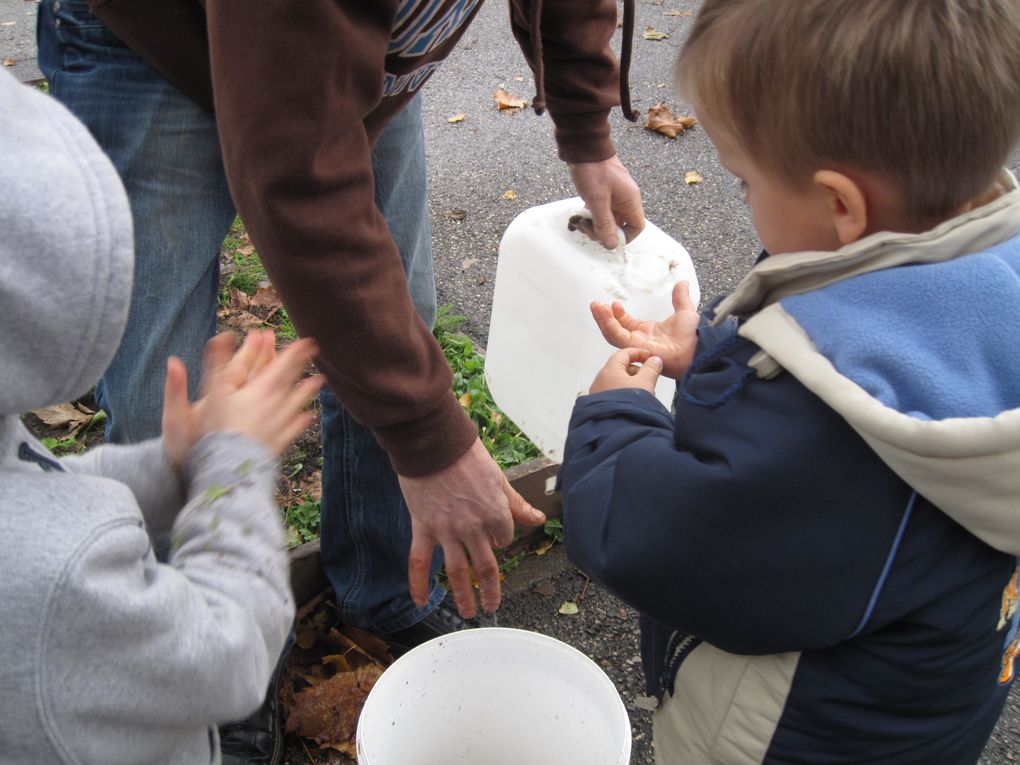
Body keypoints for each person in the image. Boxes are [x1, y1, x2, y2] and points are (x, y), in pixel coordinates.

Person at [37, 1, 646, 760]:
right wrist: (426, 437)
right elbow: (297, 171)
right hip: (155, 41)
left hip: (348, 55)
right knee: (163, 392)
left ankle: (383, 581)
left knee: (397, 318)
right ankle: (205, 671)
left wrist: (586, 126)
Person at [557, 1, 1020, 762]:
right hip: (924, 710)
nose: (742, 198)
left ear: (841, 204)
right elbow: (882, 350)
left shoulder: (824, 437)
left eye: (743, 181)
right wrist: (712, 350)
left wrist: (614, 416)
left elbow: (660, 542)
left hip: (792, 734)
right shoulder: (992, 267)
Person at [0, 67, 324, 765]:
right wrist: (231, 468)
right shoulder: (59, 581)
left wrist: (170, 464)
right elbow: (228, 653)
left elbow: (36, 486)